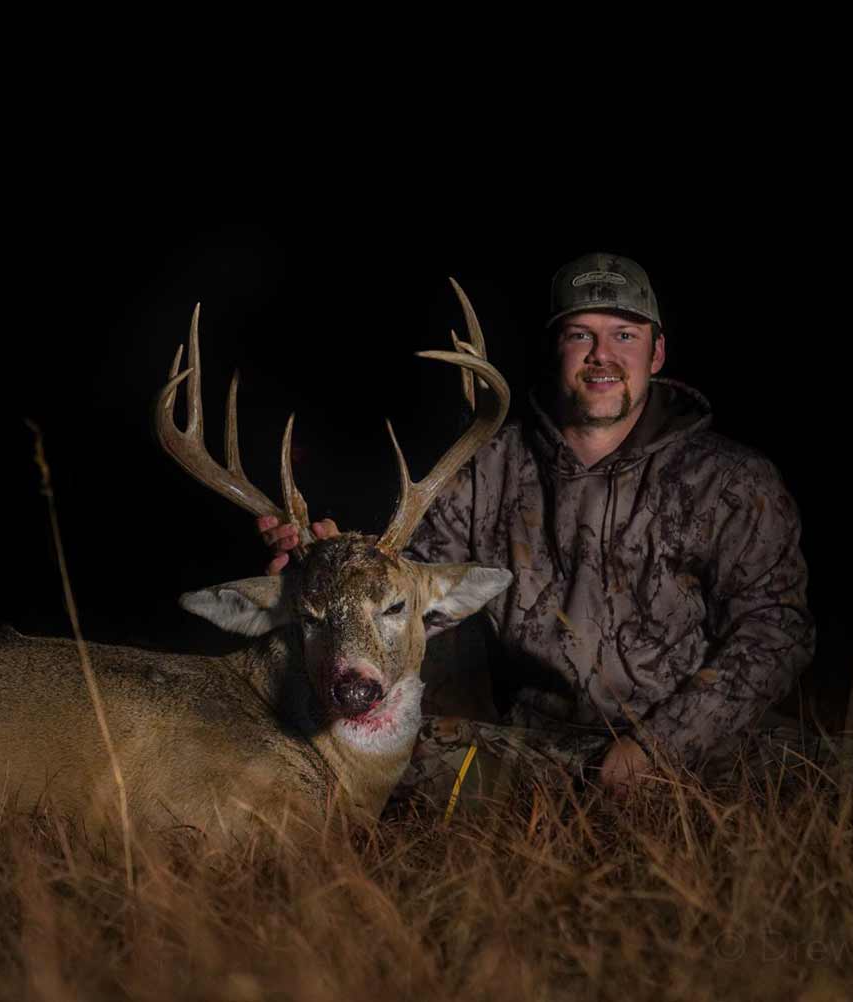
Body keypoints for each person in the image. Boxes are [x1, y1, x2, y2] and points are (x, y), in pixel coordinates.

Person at [260, 252, 815, 802]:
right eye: (581, 335)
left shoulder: (733, 482)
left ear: (658, 351)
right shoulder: (488, 471)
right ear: (557, 348)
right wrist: (335, 575)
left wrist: (658, 748)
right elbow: (410, 599)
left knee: (845, 773)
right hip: (539, 756)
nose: (602, 356)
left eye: (624, 335)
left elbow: (776, 632)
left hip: (697, 749)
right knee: (385, 757)